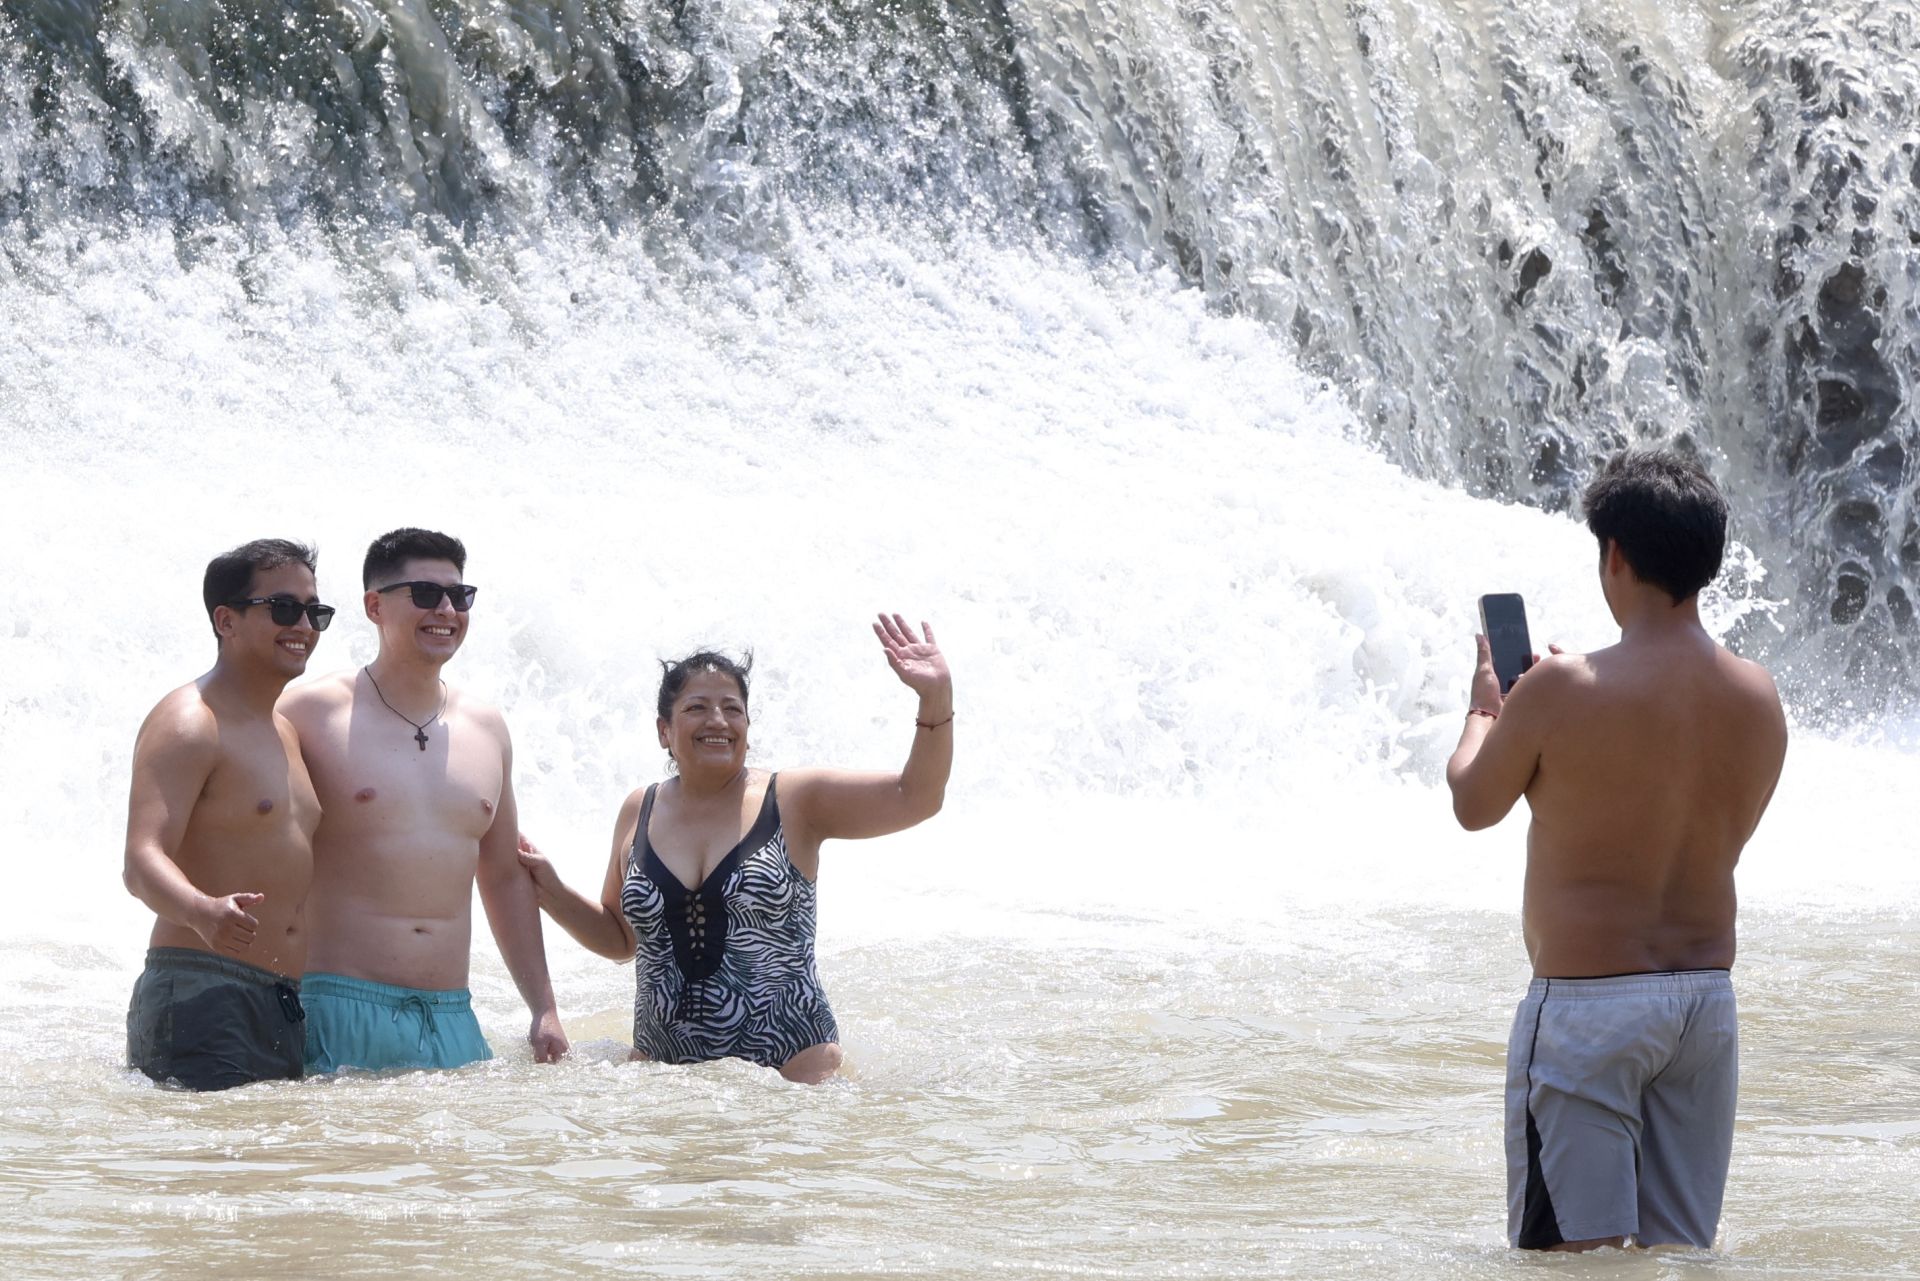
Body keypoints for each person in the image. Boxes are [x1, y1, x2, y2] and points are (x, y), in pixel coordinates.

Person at [1446, 450, 1789, 1251]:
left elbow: (1473, 802)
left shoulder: (1558, 691)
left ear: (1616, 556)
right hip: (1705, 1007)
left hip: (1588, 1011)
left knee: (1574, 1262)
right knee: (1677, 1256)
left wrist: (1488, 710)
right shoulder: (1758, 697)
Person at [518, 614, 952, 1084]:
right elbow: (622, 940)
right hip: (665, 1084)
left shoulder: (794, 800)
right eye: (697, 708)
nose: (718, 721)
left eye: (732, 708)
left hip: (791, 1080)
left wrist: (935, 697)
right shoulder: (638, 809)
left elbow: (917, 797)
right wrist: (552, 891)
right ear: (664, 730)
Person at [282, 528, 568, 1073]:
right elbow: (255, 844)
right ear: (374, 606)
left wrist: (544, 1008)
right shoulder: (308, 713)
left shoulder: (487, 727)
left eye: (459, 596)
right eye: (425, 594)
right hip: (337, 1006)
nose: (446, 609)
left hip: (452, 1019)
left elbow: (504, 875)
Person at [122, 539, 334, 1090]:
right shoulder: (191, 721)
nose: (304, 625)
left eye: (315, 612)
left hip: (278, 999)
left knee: (265, 1174)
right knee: (211, 1173)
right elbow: (141, 860)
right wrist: (200, 910)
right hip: (202, 991)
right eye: (284, 608)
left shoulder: (282, 729)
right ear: (226, 620)